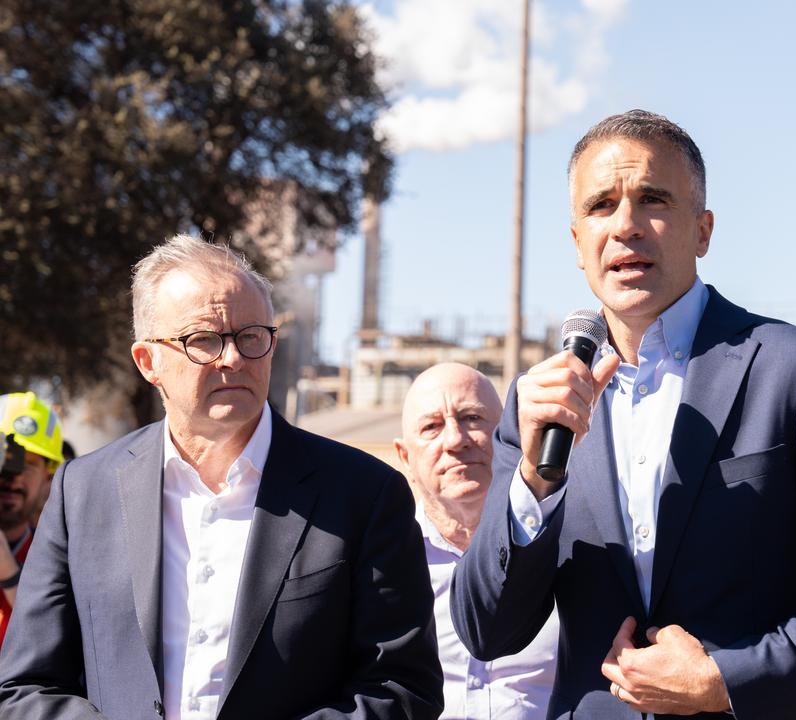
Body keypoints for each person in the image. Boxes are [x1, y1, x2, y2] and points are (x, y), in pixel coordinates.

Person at [451, 109, 796, 720]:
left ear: (703, 230)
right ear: (577, 242)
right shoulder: (538, 404)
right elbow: (486, 630)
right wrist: (534, 480)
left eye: (653, 199)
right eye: (601, 205)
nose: (627, 225)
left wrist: (729, 679)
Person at [0, 235, 444, 719]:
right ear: (149, 362)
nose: (232, 358)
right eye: (203, 340)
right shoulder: (82, 492)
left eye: (251, 336)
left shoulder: (363, 494)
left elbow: (402, 688)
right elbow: (24, 686)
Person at [394, 363, 558, 719]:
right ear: (405, 457)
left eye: (471, 418)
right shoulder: (382, 565)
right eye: (431, 427)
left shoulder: (564, 547)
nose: (455, 440)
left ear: (509, 435)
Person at [0, 392, 64, 649]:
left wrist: (9, 573)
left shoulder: (59, 558)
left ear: (48, 477)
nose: (13, 477)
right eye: (6, 461)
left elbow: (55, 640)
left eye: (27, 465)